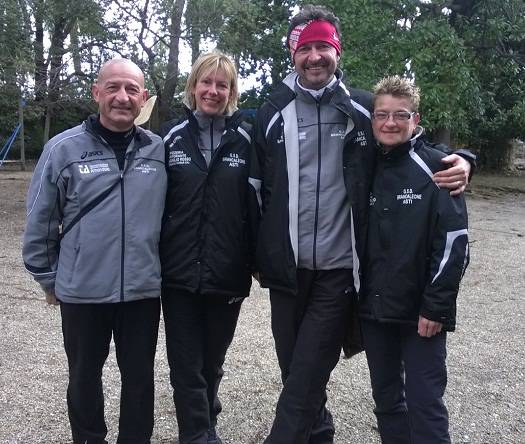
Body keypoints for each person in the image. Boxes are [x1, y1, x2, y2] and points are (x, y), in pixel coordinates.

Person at [253, 4, 475, 443]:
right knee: (295, 370)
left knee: (307, 372)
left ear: (338, 50)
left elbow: (411, 143)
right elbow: (255, 190)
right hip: (287, 272)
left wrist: (466, 160)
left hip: (338, 270)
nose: (315, 56)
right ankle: (319, 435)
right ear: (292, 54)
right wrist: (261, 256)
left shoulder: (362, 108)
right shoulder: (270, 111)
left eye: (324, 46)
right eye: (306, 48)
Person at [22, 58, 167, 444]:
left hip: (141, 292)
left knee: (139, 380)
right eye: (114, 88)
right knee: (84, 377)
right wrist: (50, 279)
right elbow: (39, 222)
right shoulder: (63, 150)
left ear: (144, 99)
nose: (122, 97)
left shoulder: (158, 151)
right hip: (82, 292)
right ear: (96, 93)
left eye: (132, 90)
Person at [360, 75, 469, 443]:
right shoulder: (365, 166)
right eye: (381, 115)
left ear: (415, 120)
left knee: (425, 404)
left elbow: (454, 243)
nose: (390, 123)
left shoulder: (439, 167)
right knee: (387, 402)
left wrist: (436, 308)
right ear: (372, 119)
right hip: (375, 311)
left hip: (421, 314)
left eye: (400, 115)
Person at [159, 51, 260, 444]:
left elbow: (265, 199)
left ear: (232, 91)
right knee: (185, 363)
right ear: (193, 86)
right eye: (206, 82)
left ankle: (207, 414)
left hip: (227, 271)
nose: (213, 91)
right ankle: (198, 435)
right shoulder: (169, 137)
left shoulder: (249, 138)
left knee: (212, 360)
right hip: (178, 271)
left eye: (222, 84)